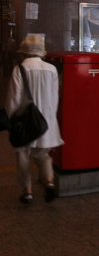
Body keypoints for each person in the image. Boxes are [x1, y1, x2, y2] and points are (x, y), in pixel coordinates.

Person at [5, 35, 63, 204]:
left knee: (23, 154)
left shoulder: (20, 69)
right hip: (45, 121)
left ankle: (27, 192)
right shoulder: (52, 69)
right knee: (43, 155)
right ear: (41, 52)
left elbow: (14, 99)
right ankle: (49, 182)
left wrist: (8, 118)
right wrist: (51, 117)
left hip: (24, 121)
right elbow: (54, 96)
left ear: (24, 52)